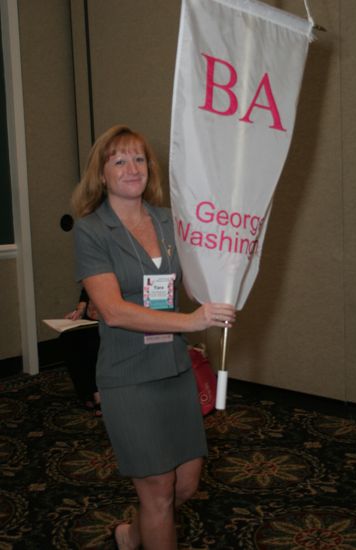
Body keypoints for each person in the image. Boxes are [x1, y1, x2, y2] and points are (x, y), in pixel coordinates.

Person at [71, 124, 236, 550]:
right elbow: (113, 310)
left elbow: (202, 275)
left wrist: (228, 282)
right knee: (159, 489)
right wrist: (192, 321)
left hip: (175, 368)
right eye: (119, 160)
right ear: (101, 174)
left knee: (184, 485)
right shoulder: (91, 230)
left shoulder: (170, 221)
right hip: (128, 375)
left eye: (139, 158)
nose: (132, 168)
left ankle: (130, 535)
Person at [61, 287, 101, 415]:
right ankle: (86, 391)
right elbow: (87, 289)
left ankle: (97, 393)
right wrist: (79, 310)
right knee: (68, 338)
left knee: (93, 342)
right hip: (91, 317)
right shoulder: (94, 270)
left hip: (113, 316)